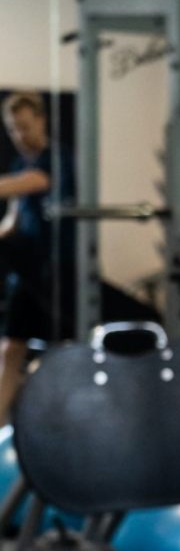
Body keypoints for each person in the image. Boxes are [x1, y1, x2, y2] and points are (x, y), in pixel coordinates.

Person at [0, 91, 76, 424]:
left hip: (58, 271)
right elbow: (12, 221)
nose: (19, 135)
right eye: (12, 129)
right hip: (26, 273)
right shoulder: (19, 164)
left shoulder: (57, 159)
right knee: (10, 349)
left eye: (24, 126)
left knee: (63, 351)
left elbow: (32, 183)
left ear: (42, 121)